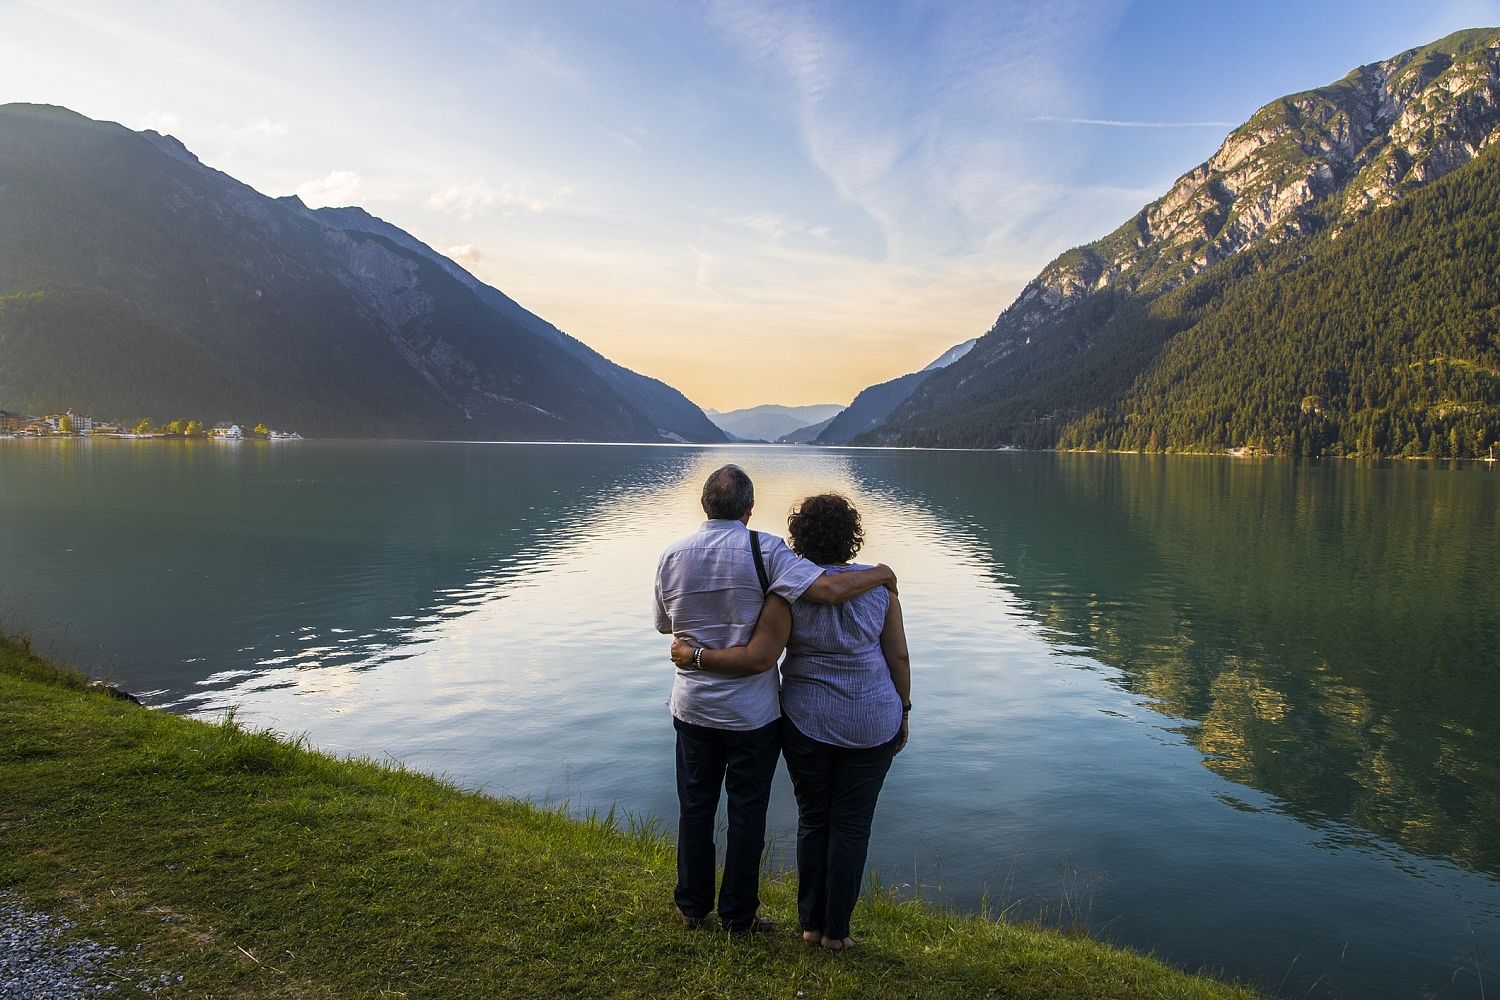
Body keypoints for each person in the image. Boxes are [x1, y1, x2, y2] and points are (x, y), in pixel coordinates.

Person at [654, 466, 897, 935]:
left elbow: (666, 625)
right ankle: (738, 916)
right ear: (748, 509)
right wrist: (882, 573)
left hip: (693, 706)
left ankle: (691, 905)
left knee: (695, 805)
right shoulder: (766, 550)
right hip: (752, 714)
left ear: (705, 505)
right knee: (747, 813)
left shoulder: (671, 554)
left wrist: (696, 650)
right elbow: (825, 589)